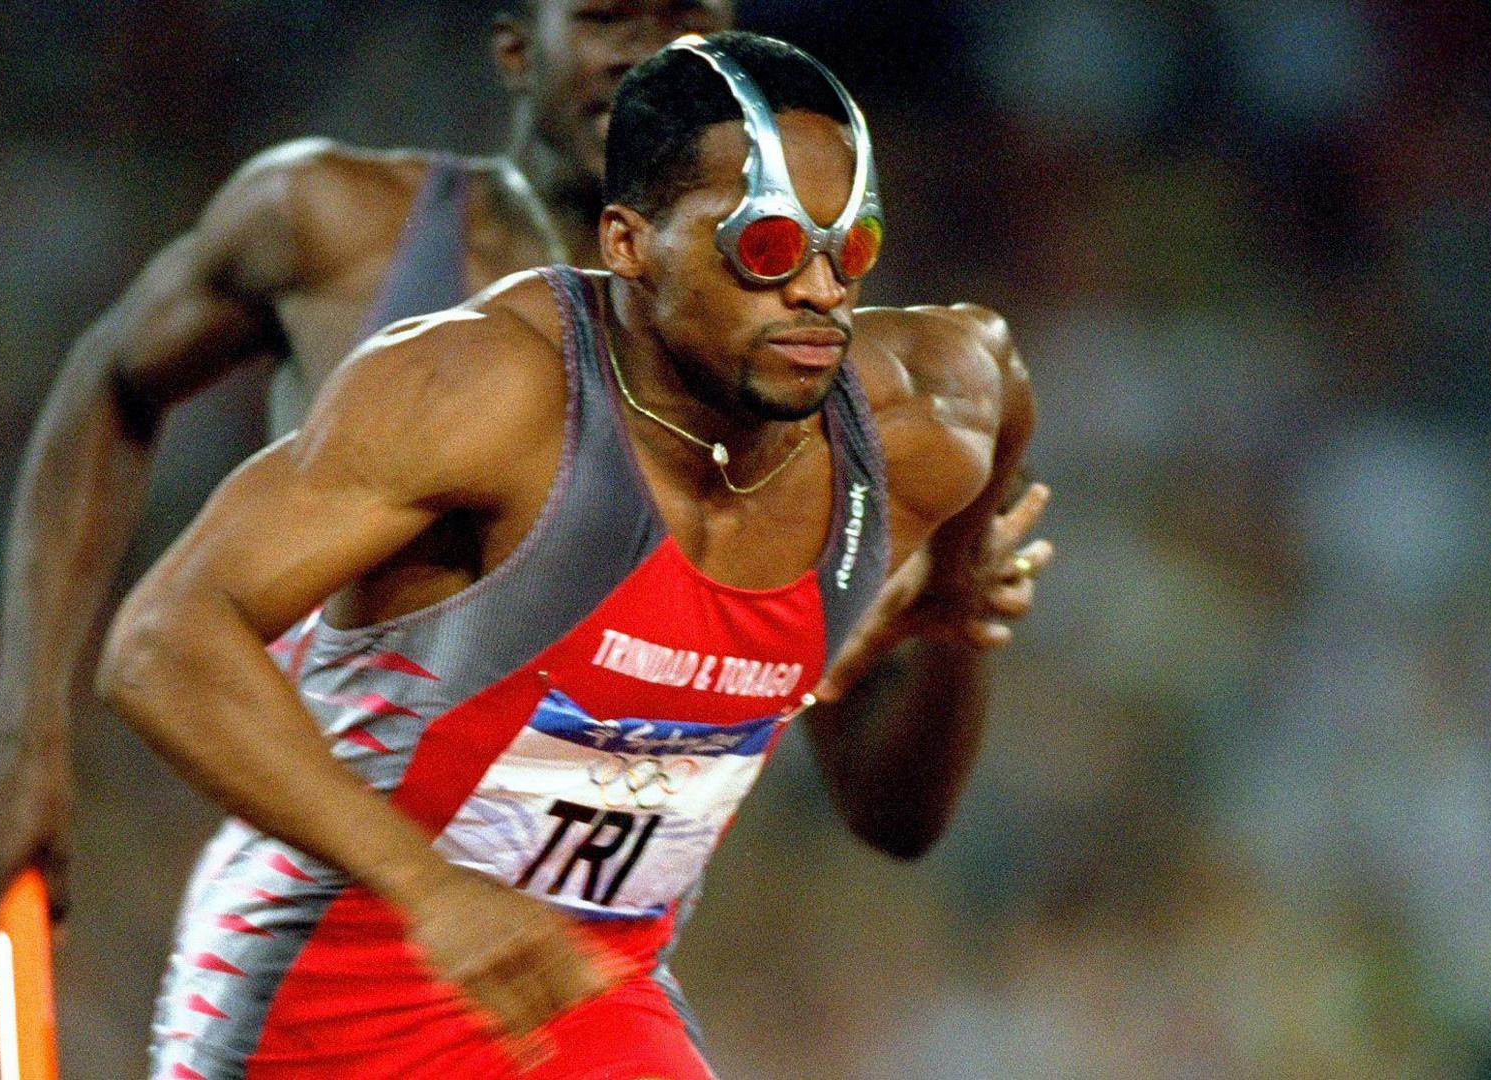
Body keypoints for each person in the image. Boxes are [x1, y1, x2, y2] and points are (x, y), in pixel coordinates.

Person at [96, 31, 1051, 1079]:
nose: (820, 292)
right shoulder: (485, 393)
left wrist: (951, 596)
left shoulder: (930, 412)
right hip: (328, 987)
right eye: (769, 248)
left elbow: (898, 820)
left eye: (849, 249)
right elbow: (160, 643)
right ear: (629, 242)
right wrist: (432, 888)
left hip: (584, 993)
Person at [0, 0, 739, 938]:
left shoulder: (771, 338)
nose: (655, 54)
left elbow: (882, 797)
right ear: (517, 50)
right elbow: (111, 384)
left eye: (690, 15)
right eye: (609, 17)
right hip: (324, 914)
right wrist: (25, 736)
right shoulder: (336, 228)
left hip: (569, 949)